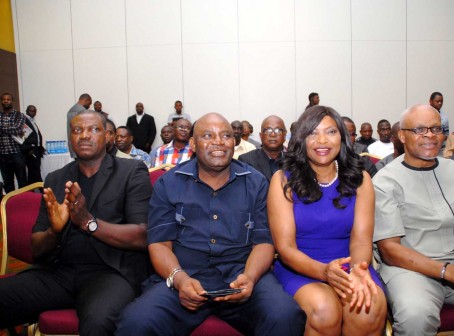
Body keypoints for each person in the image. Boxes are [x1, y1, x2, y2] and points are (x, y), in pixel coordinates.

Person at [116, 112, 306, 336]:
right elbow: (159, 244)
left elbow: (263, 242)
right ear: (194, 144)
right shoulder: (169, 183)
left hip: (241, 275)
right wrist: (180, 279)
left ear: (234, 143)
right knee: (135, 323)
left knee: (285, 315)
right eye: (208, 135)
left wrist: (250, 277)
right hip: (183, 275)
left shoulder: (255, 182)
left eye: (226, 135)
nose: (218, 141)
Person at [0, 110, 152, 336]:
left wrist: (87, 221)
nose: (84, 135)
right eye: (77, 130)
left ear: (107, 136)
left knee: (98, 321)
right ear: (70, 138)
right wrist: (55, 230)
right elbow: (37, 248)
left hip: (110, 274)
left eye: (94, 129)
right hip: (59, 272)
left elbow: (142, 235)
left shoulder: (131, 171)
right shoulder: (56, 178)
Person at [373, 104, 454, 336]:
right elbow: (390, 250)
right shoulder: (385, 181)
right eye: (420, 129)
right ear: (402, 135)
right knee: (415, 316)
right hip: (411, 272)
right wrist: (449, 272)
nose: (430, 135)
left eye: (436, 128)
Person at [268, 106, 387, 335]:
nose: (322, 140)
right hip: (299, 267)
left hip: (351, 265)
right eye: (313, 133)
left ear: (342, 137)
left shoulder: (360, 178)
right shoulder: (283, 180)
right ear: (301, 139)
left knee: (366, 309)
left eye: (331, 132)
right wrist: (325, 272)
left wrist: (356, 271)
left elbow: (361, 241)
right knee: (325, 311)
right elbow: (285, 248)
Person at [238, 115, 286, 181]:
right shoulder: (246, 161)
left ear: (285, 135)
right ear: (261, 136)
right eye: (268, 130)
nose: (273, 134)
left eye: (278, 130)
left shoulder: (294, 161)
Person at [0, 92, 27, 193]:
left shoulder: (19, 115)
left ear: (12, 101)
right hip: (2, 154)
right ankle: (10, 205)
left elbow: (18, 130)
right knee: (8, 182)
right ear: (1, 102)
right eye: (4, 99)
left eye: (8, 99)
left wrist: (2, 128)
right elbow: (14, 129)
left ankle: (23, 203)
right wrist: (10, 129)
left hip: (17, 153)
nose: (6, 101)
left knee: (22, 181)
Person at [23, 105, 45, 184]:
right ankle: (41, 187)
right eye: (31, 111)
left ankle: (31, 189)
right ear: (26, 111)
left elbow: (36, 135)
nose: (33, 113)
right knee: (34, 170)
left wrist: (40, 147)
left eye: (34, 111)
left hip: (36, 149)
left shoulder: (32, 121)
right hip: (30, 150)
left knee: (34, 171)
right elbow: (24, 137)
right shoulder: (24, 120)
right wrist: (28, 149)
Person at [67, 93, 92, 158]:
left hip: (73, 145)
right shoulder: (83, 111)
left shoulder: (70, 110)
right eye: (89, 104)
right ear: (86, 100)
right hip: (83, 146)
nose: (89, 106)